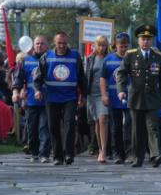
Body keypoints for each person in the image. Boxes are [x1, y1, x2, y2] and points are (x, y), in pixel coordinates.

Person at [117, 25, 161, 168]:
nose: (145, 42)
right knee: (137, 129)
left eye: (148, 39)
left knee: (152, 127)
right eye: (143, 39)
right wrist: (121, 90)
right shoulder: (130, 54)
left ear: (152, 41)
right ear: (138, 40)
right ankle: (137, 157)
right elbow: (121, 73)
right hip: (136, 97)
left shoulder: (158, 56)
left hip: (152, 97)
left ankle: (155, 155)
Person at [34, 31, 87, 166]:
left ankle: (69, 154)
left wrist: (83, 95)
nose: (62, 46)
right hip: (52, 97)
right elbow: (38, 78)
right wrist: (37, 90)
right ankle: (58, 156)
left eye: (64, 43)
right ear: (54, 43)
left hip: (70, 97)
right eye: (59, 43)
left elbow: (81, 77)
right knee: (53, 127)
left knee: (69, 125)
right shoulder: (46, 57)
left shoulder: (75, 56)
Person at [13, 36, 51, 163]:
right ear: (33, 45)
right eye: (37, 43)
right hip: (31, 101)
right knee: (32, 128)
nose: (39, 46)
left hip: (48, 100)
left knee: (44, 127)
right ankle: (34, 152)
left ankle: (44, 153)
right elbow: (18, 79)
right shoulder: (26, 61)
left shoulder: (51, 60)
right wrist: (16, 92)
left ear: (47, 45)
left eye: (42, 43)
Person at [100, 32, 131, 164]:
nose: (123, 49)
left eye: (125, 46)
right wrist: (104, 94)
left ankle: (130, 153)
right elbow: (103, 79)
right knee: (116, 126)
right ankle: (118, 153)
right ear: (115, 46)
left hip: (131, 98)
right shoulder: (108, 60)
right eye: (121, 46)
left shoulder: (133, 58)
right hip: (113, 98)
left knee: (130, 126)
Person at [85, 35, 110, 163]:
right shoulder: (90, 59)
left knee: (103, 118)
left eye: (104, 45)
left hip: (105, 93)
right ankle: (99, 148)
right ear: (95, 45)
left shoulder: (109, 58)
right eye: (99, 45)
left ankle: (104, 151)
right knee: (97, 121)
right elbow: (85, 76)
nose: (101, 47)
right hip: (92, 94)